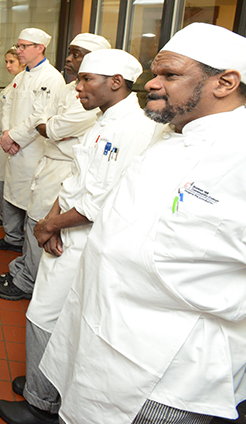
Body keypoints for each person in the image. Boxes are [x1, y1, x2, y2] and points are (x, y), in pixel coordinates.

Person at [40, 23, 246, 424]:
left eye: (170, 75)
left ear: (225, 82)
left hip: (164, 370)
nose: (152, 85)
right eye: (156, 74)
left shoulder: (237, 155)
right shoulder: (170, 136)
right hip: (105, 337)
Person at [0, 48, 157, 424]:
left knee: (45, 315)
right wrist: (52, 219)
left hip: (82, 240)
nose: (78, 86)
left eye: (87, 80)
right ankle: (43, 384)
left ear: (115, 83)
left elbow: (104, 198)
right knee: (51, 314)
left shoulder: (131, 128)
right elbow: (75, 183)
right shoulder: (102, 121)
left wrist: (51, 224)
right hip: (66, 232)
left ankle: (40, 404)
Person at [0, 34, 109, 301]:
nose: (69, 59)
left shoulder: (68, 87)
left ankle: (28, 282)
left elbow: (53, 127)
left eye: (76, 54)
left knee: (40, 223)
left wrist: (48, 127)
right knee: (32, 220)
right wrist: (39, 128)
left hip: (60, 166)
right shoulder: (67, 89)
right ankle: (23, 272)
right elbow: (42, 119)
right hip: (45, 158)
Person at [0, 28, 64, 254]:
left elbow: (40, 116)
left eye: (23, 47)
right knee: (11, 193)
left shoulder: (52, 78)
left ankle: (23, 245)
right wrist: (6, 133)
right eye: (18, 46)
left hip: (33, 150)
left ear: (39, 48)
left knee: (28, 200)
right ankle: (12, 238)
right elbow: (7, 107)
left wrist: (14, 137)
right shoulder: (21, 77)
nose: (19, 51)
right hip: (13, 146)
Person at [0, 49, 24, 229]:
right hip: (3, 134)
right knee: (2, 178)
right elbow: (1, 111)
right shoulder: (15, 83)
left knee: (6, 180)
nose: (8, 66)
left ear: (22, 62)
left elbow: (5, 113)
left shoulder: (22, 83)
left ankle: (6, 220)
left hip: (9, 137)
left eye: (11, 62)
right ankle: (3, 215)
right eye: (6, 62)